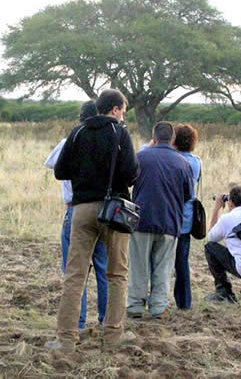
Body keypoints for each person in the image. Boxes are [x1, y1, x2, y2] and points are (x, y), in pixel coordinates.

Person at [45, 89, 140, 353]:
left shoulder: (77, 133)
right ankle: (112, 337)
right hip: (114, 212)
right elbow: (132, 173)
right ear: (115, 109)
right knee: (117, 274)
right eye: (123, 109)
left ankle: (65, 339)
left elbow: (60, 171)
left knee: (75, 276)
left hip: (82, 209)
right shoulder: (119, 133)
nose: (123, 114)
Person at [44, 101, 108, 331]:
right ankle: (105, 322)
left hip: (75, 207)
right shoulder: (107, 139)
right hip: (103, 209)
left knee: (75, 270)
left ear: (80, 117)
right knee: (104, 268)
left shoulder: (68, 141)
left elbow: (50, 164)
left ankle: (77, 324)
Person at [126, 121, 193, 319]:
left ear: (153, 138)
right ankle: (158, 307)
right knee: (163, 267)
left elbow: (128, 182)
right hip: (170, 223)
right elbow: (188, 195)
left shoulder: (140, 157)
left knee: (138, 265)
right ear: (173, 139)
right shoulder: (184, 163)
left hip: (141, 220)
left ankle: (135, 305)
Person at [173, 124, 201, 310]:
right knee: (182, 261)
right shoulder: (196, 162)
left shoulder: (173, 160)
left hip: (170, 216)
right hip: (187, 218)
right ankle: (184, 302)